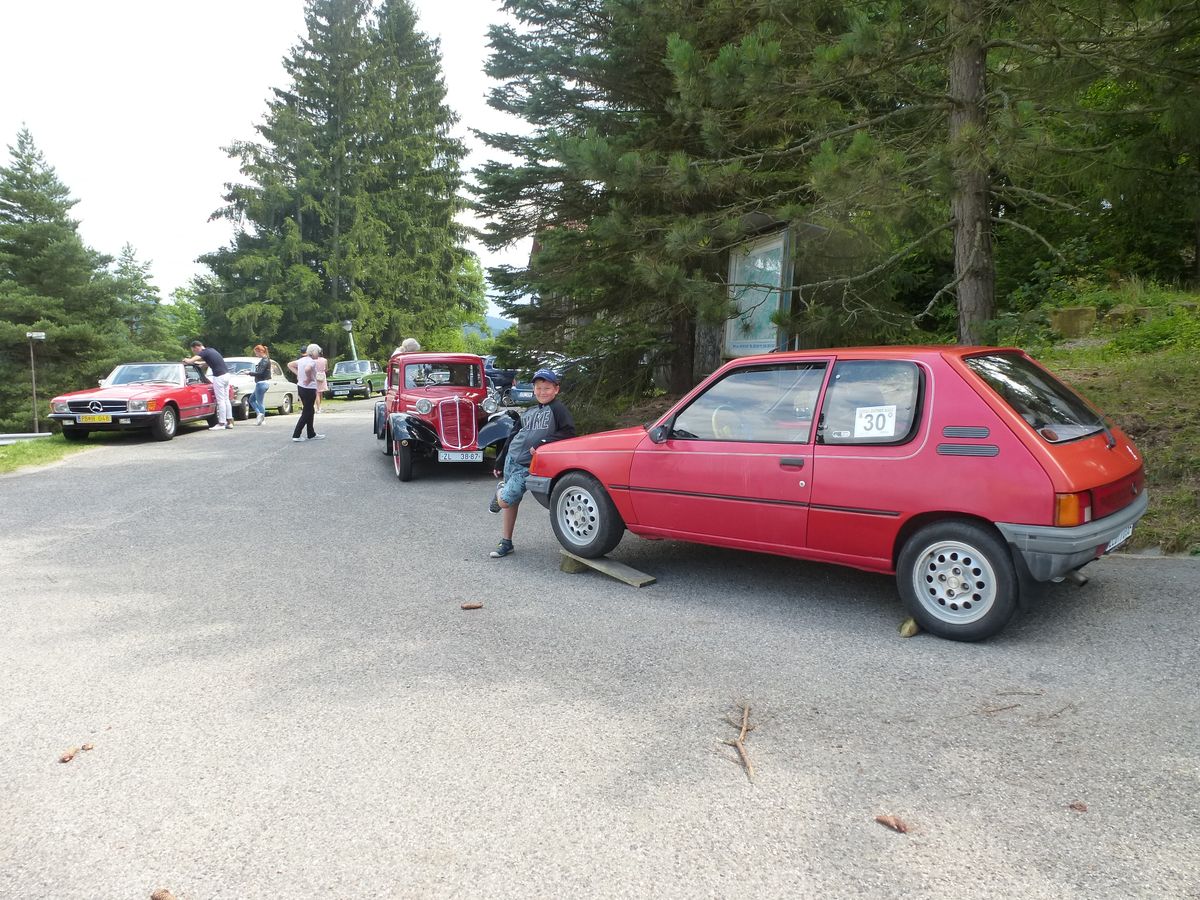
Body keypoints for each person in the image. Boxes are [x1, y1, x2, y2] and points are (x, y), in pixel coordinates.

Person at [488, 368, 575, 558]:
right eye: (538, 388)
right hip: (511, 459)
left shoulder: (558, 409)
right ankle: (506, 542)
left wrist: (543, 442)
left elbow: (568, 431)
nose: (542, 392)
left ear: (556, 389)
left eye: (547, 388)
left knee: (505, 500)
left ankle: (500, 491)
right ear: (534, 389)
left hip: (528, 465)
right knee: (512, 502)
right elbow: (513, 436)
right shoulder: (529, 411)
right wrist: (499, 461)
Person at [184, 340, 232, 430]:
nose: (194, 352)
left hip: (219, 377)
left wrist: (186, 360)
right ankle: (230, 422)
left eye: (194, 350)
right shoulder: (211, 350)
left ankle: (221, 423)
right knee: (226, 399)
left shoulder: (203, 352)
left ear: (197, 347)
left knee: (220, 401)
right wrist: (202, 364)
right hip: (226, 375)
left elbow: (191, 360)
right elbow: (210, 362)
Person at [287, 344, 326, 443]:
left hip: (301, 387)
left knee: (310, 410)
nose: (319, 354)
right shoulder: (311, 362)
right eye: (318, 352)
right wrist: (308, 378)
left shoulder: (301, 360)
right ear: (314, 352)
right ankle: (296, 434)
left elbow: (290, 364)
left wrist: (298, 374)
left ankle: (311, 433)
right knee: (307, 412)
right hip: (309, 388)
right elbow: (307, 369)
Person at [250, 344, 272, 425]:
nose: (256, 354)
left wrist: (249, 373)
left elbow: (260, 373)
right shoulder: (265, 359)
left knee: (260, 402)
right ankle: (259, 414)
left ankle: (262, 419)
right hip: (262, 383)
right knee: (251, 399)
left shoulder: (264, 360)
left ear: (260, 351)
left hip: (261, 384)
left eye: (256, 353)